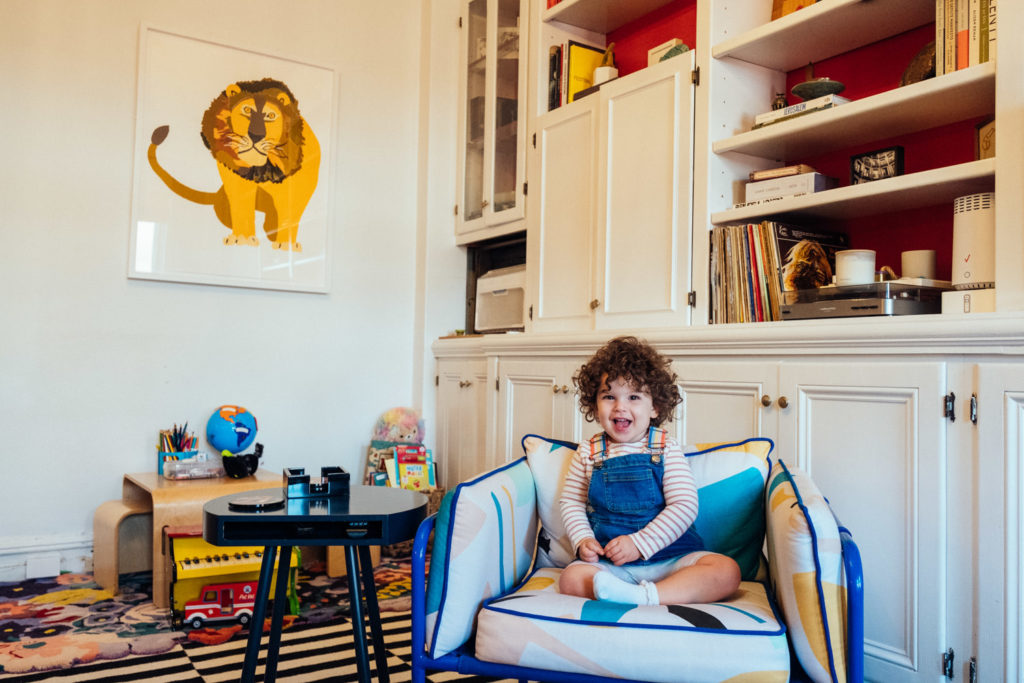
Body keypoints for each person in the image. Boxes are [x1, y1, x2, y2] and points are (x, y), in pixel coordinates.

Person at [558, 336, 741, 606]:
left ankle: (644, 597)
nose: (620, 406)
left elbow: (685, 505)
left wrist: (639, 544)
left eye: (634, 397)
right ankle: (621, 591)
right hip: (613, 564)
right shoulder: (588, 451)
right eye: (609, 396)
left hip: (672, 558)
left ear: (655, 407)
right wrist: (582, 539)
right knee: (570, 579)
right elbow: (571, 502)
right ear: (595, 407)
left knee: (726, 571)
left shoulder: (666, 447)